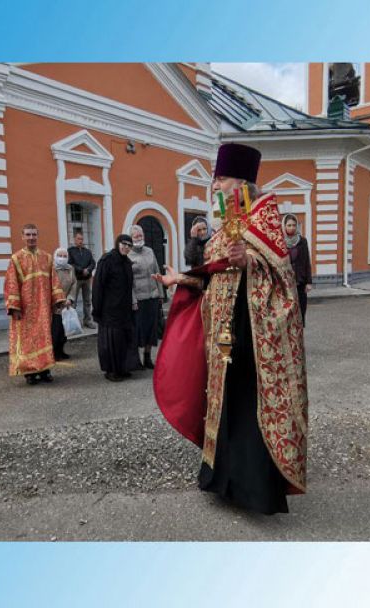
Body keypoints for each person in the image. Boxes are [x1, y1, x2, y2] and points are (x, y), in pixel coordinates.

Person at [153, 143, 308, 515]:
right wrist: (182, 280)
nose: (215, 185)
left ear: (241, 180)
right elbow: (215, 278)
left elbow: (282, 278)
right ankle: (222, 480)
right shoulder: (226, 226)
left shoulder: (266, 215)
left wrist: (250, 260)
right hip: (222, 336)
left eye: (220, 178)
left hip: (252, 334)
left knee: (246, 404)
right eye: (215, 179)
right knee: (221, 404)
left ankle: (253, 489)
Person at [4, 224, 67, 385]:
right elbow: (11, 284)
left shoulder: (47, 257)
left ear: (37, 236)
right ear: (22, 236)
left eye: (33, 234)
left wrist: (57, 301)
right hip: (25, 309)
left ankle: (45, 370)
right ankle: (30, 373)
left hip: (44, 307)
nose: (31, 237)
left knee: (45, 338)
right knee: (28, 341)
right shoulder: (16, 259)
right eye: (28, 234)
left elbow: (54, 281)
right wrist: (15, 307)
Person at [92, 234, 140, 382]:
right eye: (123, 244)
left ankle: (122, 368)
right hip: (109, 310)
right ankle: (111, 371)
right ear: (117, 244)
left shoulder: (126, 262)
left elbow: (129, 286)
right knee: (111, 342)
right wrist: (97, 308)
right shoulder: (107, 260)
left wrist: (132, 302)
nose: (126, 247)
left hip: (124, 309)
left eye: (129, 245)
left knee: (123, 341)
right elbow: (98, 286)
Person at [127, 225, 163, 369]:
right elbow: (128, 281)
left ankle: (147, 358)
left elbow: (157, 271)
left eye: (140, 235)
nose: (139, 238)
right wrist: (133, 299)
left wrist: (160, 293)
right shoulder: (128, 254)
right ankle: (136, 360)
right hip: (139, 298)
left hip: (152, 296)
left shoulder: (150, 251)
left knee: (151, 329)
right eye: (136, 236)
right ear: (131, 238)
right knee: (138, 330)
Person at [282, 214, 313, 325]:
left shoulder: (302, 241)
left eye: (294, 225)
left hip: (300, 281)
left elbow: (306, 262)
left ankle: (299, 338)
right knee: (287, 313)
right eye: (289, 225)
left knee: (301, 311)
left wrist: (309, 282)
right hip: (285, 283)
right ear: (284, 226)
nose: (292, 228)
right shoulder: (280, 242)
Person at [51, 247, 79, 360]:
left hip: (67, 304)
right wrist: (58, 300)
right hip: (55, 305)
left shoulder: (70, 268)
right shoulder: (52, 269)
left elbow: (74, 284)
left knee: (64, 331)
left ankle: (61, 351)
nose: (62, 258)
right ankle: (54, 352)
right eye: (60, 256)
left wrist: (70, 298)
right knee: (56, 330)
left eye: (64, 256)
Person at [67, 231, 96, 328]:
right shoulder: (70, 251)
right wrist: (80, 270)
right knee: (73, 301)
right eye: (79, 239)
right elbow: (70, 263)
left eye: (82, 239)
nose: (81, 241)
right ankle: (74, 322)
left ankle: (87, 320)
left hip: (87, 279)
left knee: (87, 301)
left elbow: (93, 262)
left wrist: (88, 269)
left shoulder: (87, 251)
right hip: (76, 279)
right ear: (74, 239)